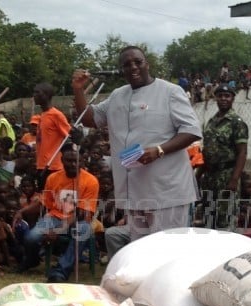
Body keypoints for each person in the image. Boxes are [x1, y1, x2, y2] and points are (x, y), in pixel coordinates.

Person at [71, 45, 202, 242]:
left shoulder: (170, 92)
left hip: (167, 191)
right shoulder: (117, 95)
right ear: (121, 70)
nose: (133, 67)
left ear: (147, 64)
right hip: (134, 190)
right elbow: (91, 119)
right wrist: (78, 90)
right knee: (140, 251)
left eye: (137, 62)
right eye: (126, 64)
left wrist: (159, 150)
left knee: (166, 249)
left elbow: (191, 130)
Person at [13, 143, 99, 282]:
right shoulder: (53, 178)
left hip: (79, 220)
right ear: (62, 160)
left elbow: (82, 213)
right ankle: (32, 260)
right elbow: (43, 202)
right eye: (68, 160)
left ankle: (60, 271)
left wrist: (59, 230)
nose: (72, 164)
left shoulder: (91, 181)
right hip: (54, 216)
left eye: (75, 160)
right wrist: (21, 211)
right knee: (31, 238)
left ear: (82, 161)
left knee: (83, 230)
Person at [196, 83, 248, 229]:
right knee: (208, 218)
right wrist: (198, 176)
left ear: (232, 99)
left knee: (225, 221)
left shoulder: (237, 123)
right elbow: (207, 151)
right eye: (220, 96)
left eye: (227, 96)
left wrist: (234, 180)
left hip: (226, 176)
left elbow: (242, 153)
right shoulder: (210, 122)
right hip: (209, 177)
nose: (223, 99)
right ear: (216, 98)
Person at [33, 82, 71, 190]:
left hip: (53, 166)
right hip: (41, 165)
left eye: (37, 92)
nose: (34, 95)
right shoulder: (42, 115)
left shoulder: (56, 115)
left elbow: (69, 137)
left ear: (46, 94)